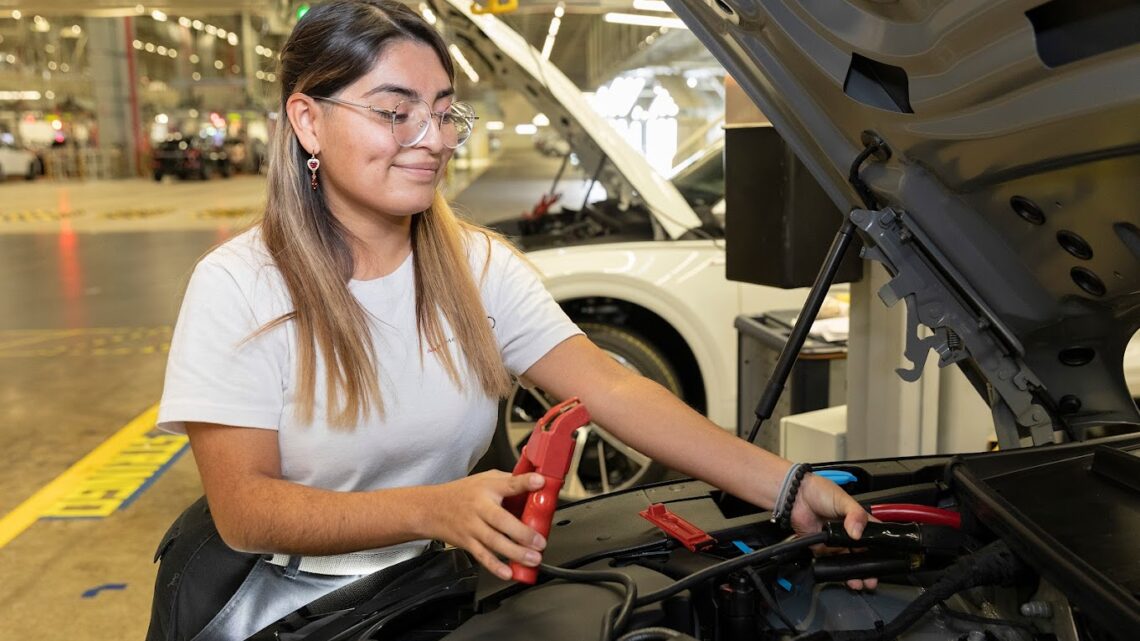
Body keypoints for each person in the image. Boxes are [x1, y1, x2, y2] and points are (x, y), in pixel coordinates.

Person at [145, 1, 871, 639]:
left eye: (442, 111)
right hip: (280, 605)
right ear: (308, 119)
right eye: (395, 111)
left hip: (430, 588)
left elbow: (613, 389)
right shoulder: (239, 286)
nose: (432, 138)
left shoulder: (475, 266)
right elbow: (245, 507)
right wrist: (433, 509)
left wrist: (787, 484)